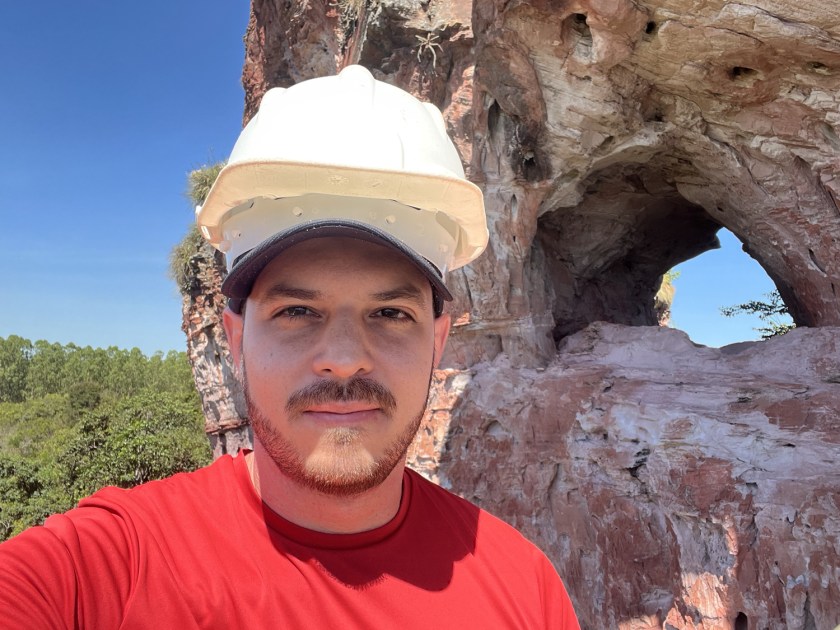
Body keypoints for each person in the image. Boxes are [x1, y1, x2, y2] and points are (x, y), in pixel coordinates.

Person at [0, 65, 580, 628]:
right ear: (235, 340)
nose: (345, 355)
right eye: (297, 311)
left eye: (390, 313)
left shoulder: (524, 589)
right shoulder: (110, 568)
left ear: (438, 341)